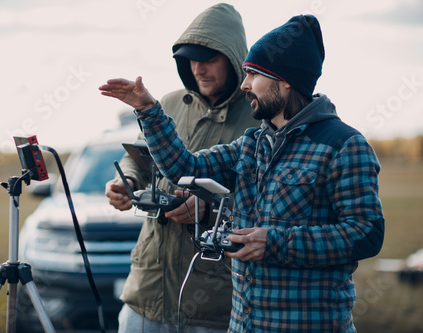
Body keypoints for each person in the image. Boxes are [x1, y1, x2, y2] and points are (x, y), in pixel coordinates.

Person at [100, 14, 385, 332]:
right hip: (243, 324)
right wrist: (149, 110)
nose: (245, 84)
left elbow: (366, 234)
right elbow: (185, 168)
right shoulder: (252, 143)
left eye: (253, 74)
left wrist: (276, 242)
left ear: (285, 79)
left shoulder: (344, 145)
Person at [104, 3, 261, 332]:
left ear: (235, 60)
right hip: (147, 290)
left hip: (214, 301)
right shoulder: (170, 103)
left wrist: (210, 210)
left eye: (209, 60)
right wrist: (126, 182)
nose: (199, 69)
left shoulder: (259, 116)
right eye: (192, 60)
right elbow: (140, 159)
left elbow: (270, 200)